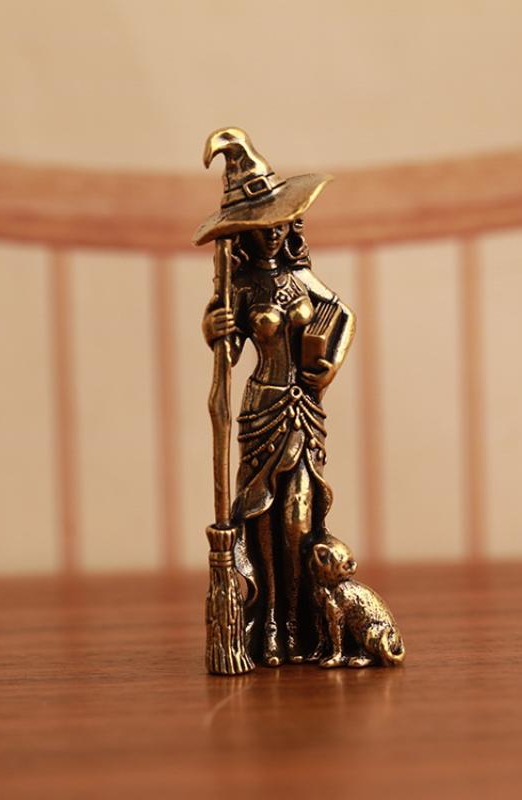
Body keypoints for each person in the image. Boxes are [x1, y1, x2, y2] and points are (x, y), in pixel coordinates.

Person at [196, 129, 355, 666]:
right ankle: (265, 624)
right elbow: (227, 355)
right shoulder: (238, 287)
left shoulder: (301, 278)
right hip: (261, 408)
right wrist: (215, 328)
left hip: (304, 410)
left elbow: (344, 315)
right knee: (260, 517)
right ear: (243, 233)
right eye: (261, 227)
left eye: (279, 223)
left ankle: (297, 622)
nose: (272, 235)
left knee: (298, 518)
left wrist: (328, 365)